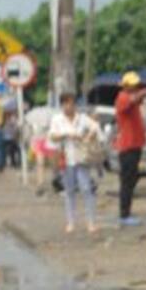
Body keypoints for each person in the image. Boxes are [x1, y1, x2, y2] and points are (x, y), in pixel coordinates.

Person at [48, 92, 103, 234]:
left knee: (86, 189)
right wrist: (67, 135)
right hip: (66, 158)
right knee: (69, 191)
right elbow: (52, 136)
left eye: (71, 103)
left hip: (82, 157)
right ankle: (70, 222)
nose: (69, 106)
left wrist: (88, 136)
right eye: (66, 103)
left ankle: (91, 222)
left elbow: (95, 127)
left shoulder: (82, 118)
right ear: (62, 105)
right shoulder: (57, 119)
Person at [114, 71, 146, 226]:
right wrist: (141, 94)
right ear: (126, 86)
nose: (135, 87)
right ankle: (124, 213)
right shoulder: (123, 97)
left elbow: (136, 101)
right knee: (127, 181)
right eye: (133, 85)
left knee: (132, 178)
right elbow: (131, 101)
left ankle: (126, 210)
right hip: (127, 147)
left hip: (135, 145)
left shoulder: (132, 99)